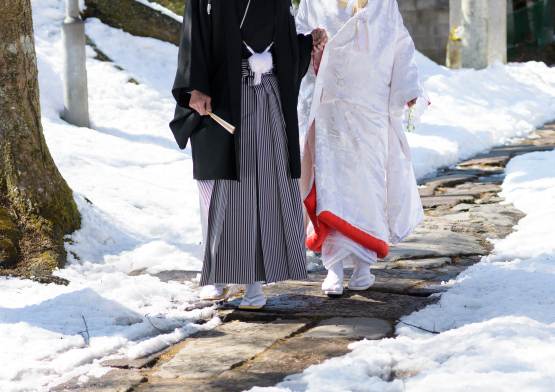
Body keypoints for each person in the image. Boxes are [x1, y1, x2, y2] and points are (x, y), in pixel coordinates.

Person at [169, 0, 328, 308]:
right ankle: (216, 275)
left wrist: (306, 43)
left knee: (263, 187)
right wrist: (194, 88)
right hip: (221, 98)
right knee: (219, 188)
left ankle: (255, 283)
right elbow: (193, 36)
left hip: (269, 95)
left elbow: (282, 38)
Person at [295, 0, 429, 296]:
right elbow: (297, 39)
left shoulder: (385, 4)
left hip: (372, 110)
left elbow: (401, 44)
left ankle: (363, 266)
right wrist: (309, 44)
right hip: (330, 107)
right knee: (330, 185)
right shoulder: (313, 2)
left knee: (369, 186)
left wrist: (409, 88)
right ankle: (333, 267)